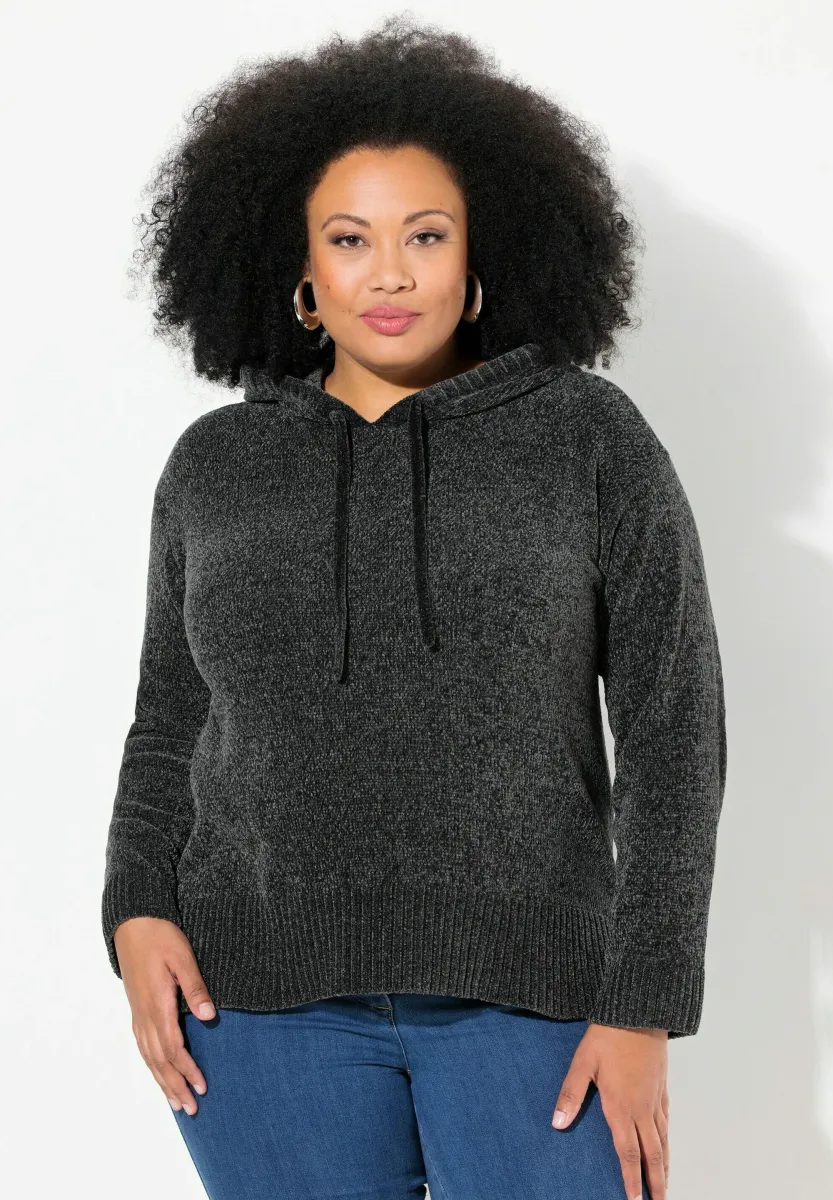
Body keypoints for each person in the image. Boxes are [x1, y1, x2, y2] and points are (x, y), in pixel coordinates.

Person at [100, 16, 727, 1200]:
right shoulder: (215, 465)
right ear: (299, 273)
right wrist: (134, 909)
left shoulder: (586, 438)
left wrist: (642, 1003)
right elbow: (169, 720)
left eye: (424, 236)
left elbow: (670, 729)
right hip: (255, 1011)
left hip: (536, 1000)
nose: (388, 274)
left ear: (480, 257)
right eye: (349, 240)